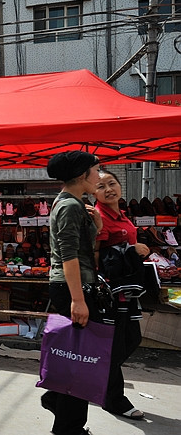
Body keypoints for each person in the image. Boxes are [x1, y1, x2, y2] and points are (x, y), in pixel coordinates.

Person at [40, 150, 103, 435]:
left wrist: (96, 226)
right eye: (96, 171)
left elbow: (78, 248)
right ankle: (69, 427)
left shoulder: (75, 203)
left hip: (72, 285)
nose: (99, 177)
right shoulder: (69, 205)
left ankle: (59, 405)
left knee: (76, 355)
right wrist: (78, 300)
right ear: (82, 175)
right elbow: (68, 254)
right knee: (79, 359)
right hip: (71, 287)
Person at [94, 169, 147, 421]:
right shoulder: (99, 216)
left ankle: (97, 379)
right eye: (101, 186)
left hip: (127, 288)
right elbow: (97, 256)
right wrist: (130, 250)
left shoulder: (121, 214)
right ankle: (114, 399)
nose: (108, 189)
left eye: (112, 183)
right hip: (111, 291)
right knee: (115, 346)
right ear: (93, 191)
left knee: (131, 339)